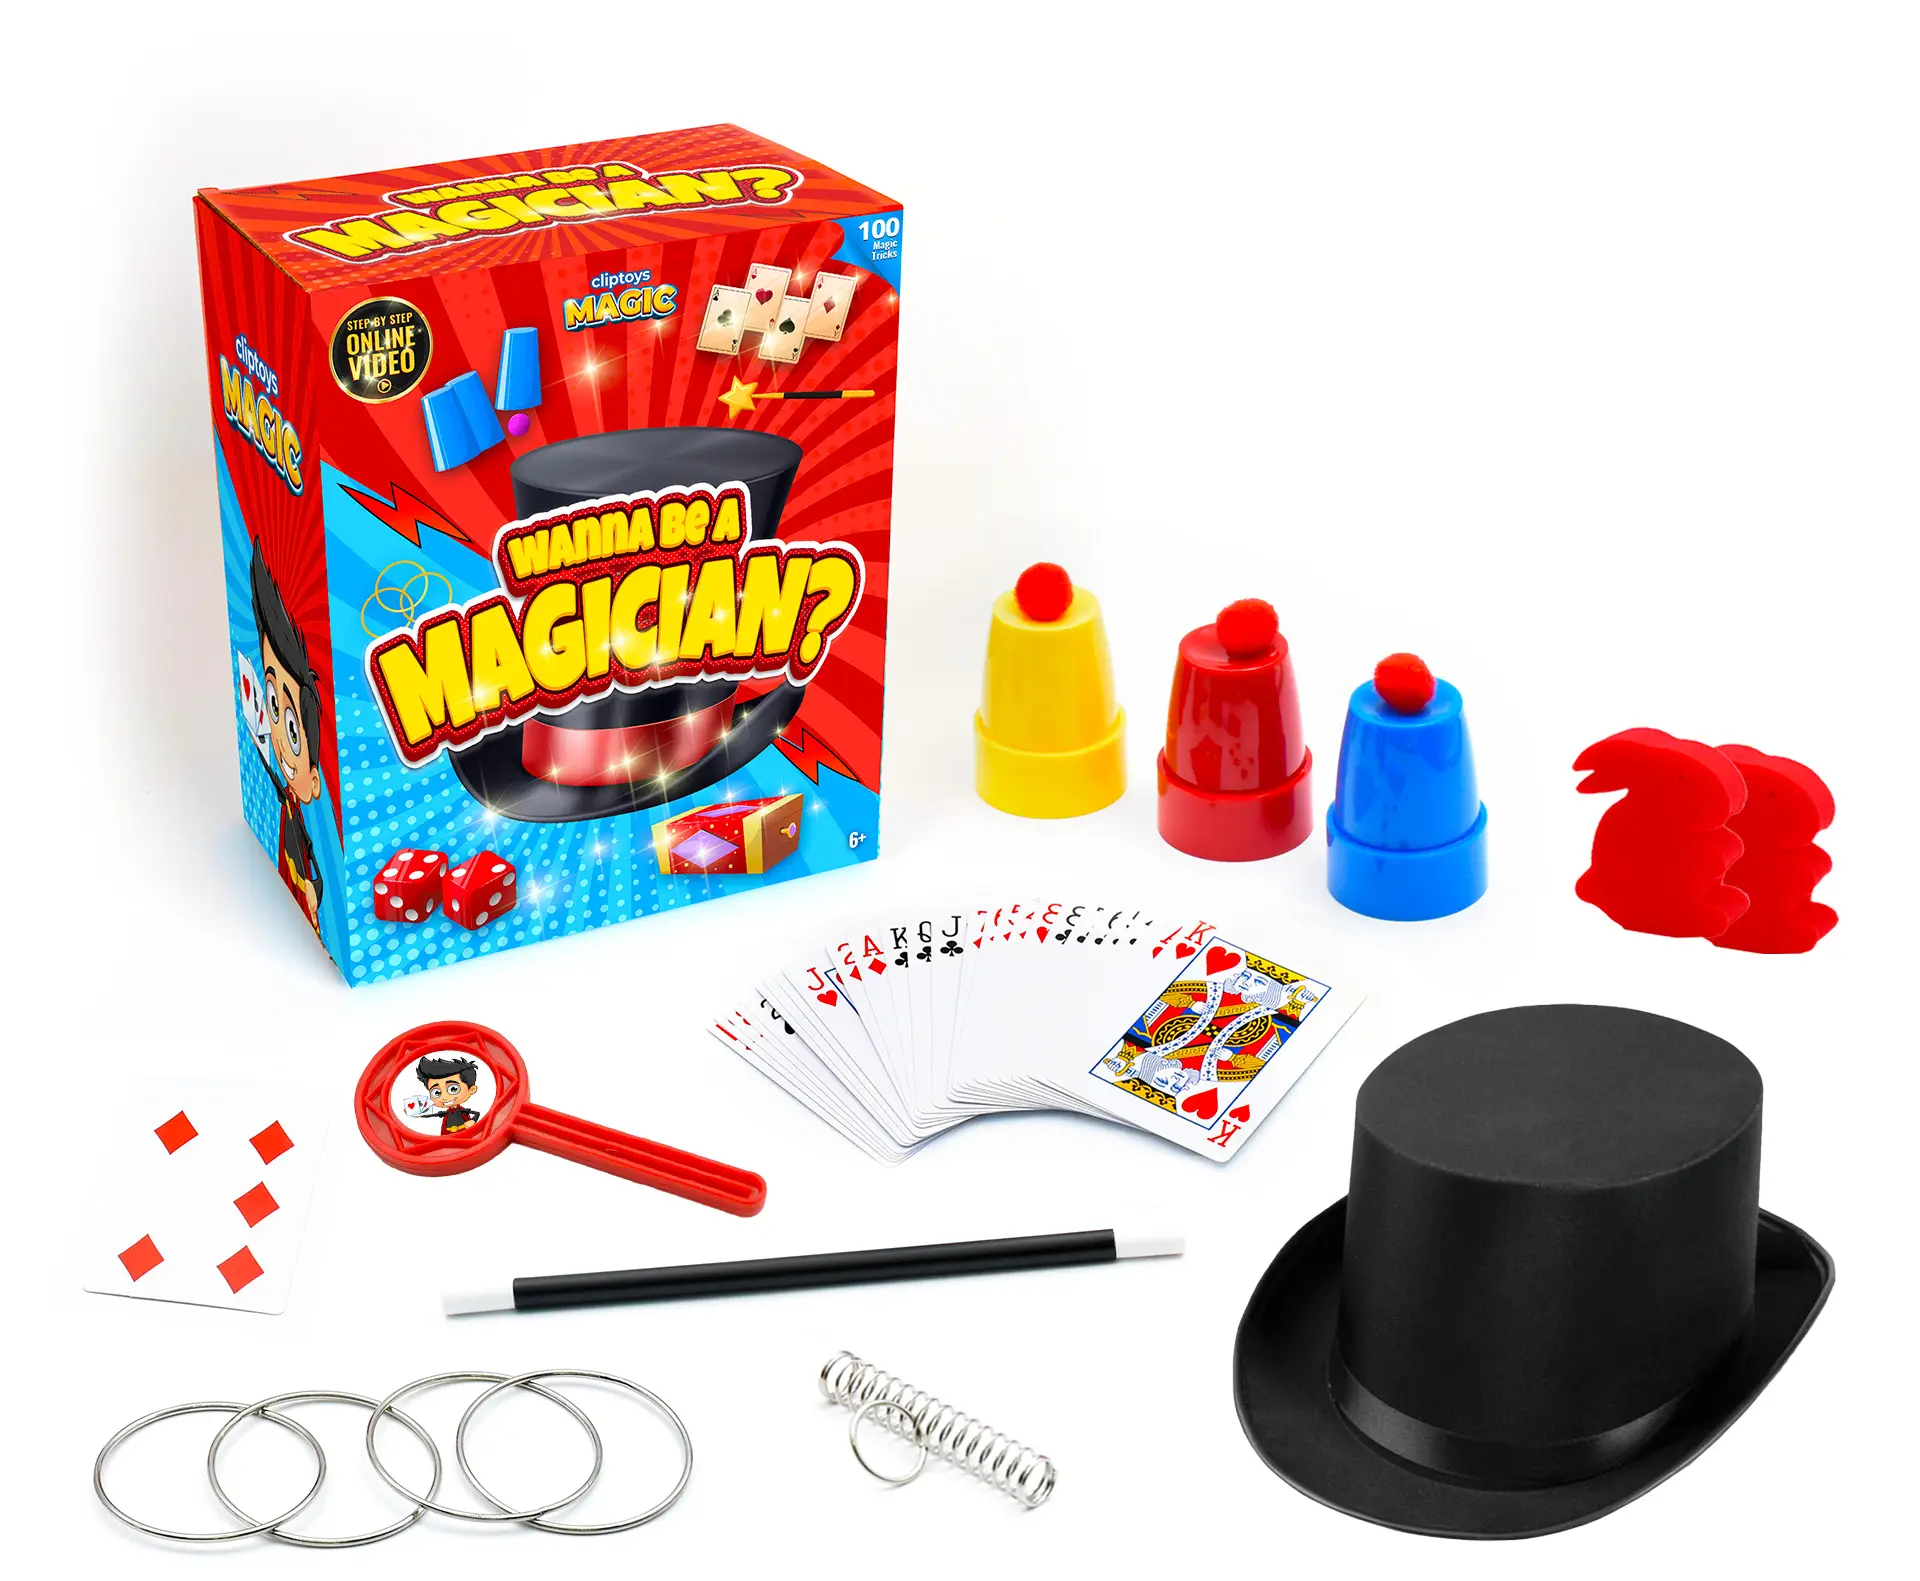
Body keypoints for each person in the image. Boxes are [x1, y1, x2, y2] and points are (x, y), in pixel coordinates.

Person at [249, 540, 325, 927]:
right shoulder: (290, 805)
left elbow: (310, 863)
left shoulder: (300, 819)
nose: (281, 736)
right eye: (275, 707)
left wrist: (312, 890)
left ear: (314, 779)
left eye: (292, 729)